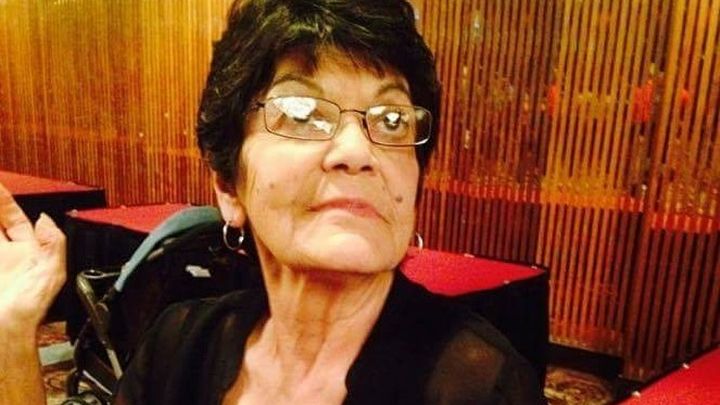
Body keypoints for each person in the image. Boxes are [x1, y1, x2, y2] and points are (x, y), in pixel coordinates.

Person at [0, 0, 545, 403]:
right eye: (303, 113)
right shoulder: (181, 345)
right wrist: (10, 333)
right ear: (228, 187)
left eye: (391, 120)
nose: (358, 151)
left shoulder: (477, 386)